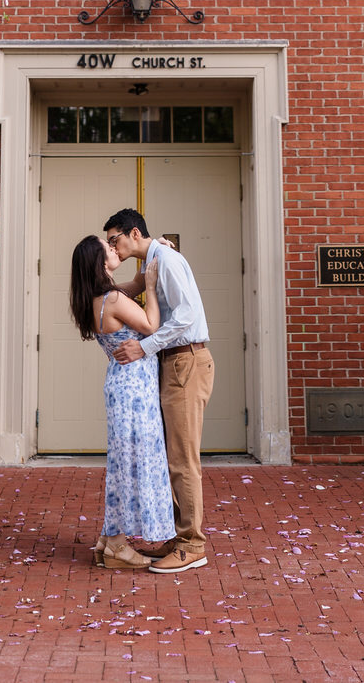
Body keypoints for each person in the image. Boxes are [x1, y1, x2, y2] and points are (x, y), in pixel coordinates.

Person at [104, 208, 214, 574]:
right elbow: (121, 293)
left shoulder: (164, 260)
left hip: (187, 360)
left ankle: (192, 545)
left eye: (114, 239)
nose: (112, 247)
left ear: (134, 234)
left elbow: (184, 316)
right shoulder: (151, 261)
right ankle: (179, 536)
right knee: (173, 456)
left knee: (183, 459)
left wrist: (143, 348)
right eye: (107, 243)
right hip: (173, 362)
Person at [69, 234, 175, 571]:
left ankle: (108, 538)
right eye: (108, 248)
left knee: (122, 464)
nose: (114, 249)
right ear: (99, 263)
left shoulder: (98, 298)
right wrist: (154, 289)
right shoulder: (113, 299)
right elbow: (151, 325)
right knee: (134, 463)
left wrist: (153, 252)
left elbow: (134, 284)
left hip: (121, 385)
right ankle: (117, 545)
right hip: (135, 392)